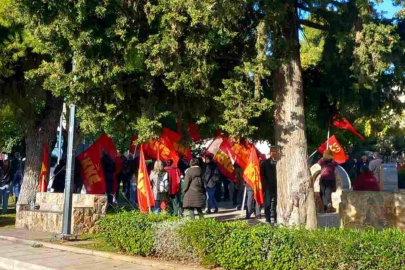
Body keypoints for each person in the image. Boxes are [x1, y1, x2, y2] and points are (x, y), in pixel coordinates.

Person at [261, 147, 277, 224]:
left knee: (277, 203)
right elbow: (262, 175)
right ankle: (268, 218)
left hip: (277, 186)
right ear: (270, 153)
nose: (273, 153)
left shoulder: (279, 162)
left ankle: (276, 218)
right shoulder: (265, 163)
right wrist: (265, 184)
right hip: (268, 186)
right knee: (268, 203)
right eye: (272, 151)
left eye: (275, 151)